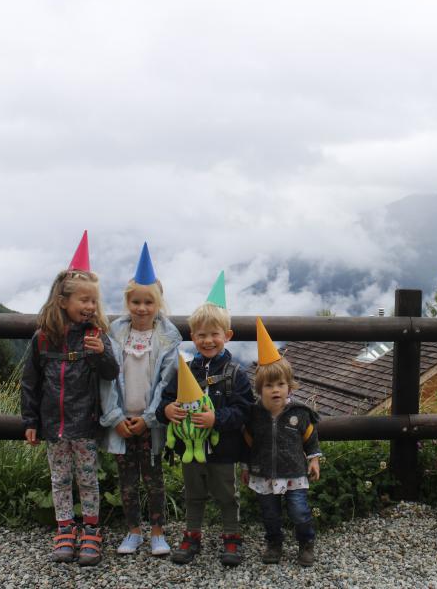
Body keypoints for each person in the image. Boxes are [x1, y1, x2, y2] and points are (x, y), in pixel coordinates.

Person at [21, 232, 118, 566]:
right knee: (59, 480)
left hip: (85, 424)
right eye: (84, 300)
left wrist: (102, 354)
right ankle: (65, 528)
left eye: (94, 301)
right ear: (63, 301)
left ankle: (91, 530)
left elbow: (111, 373)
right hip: (52, 425)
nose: (90, 307)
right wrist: (30, 421)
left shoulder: (96, 337)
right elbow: (29, 382)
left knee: (88, 480)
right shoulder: (43, 339)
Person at [157, 278, 254, 567]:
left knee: (227, 495)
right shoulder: (185, 371)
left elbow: (244, 410)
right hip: (190, 449)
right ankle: (192, 535)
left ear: (228, 335)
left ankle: (232, 537)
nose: (207, 340)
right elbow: (166, 399)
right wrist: (167, 411)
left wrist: (216, 419)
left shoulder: (236, 374)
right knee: (194, 494)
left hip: (224, 449)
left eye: (214, 334)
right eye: (201, 335)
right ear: (192, 336)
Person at [99, 243, 179, 557]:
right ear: (127, 302)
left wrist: (149, 418)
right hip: (122, 420)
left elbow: (166, 382)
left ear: (158, 304)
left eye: (148, 302)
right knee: (127, 480)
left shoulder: (167, 339)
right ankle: (133, 531)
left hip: (151, 421)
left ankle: (157, 532)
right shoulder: (115, 335)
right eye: (136, 302)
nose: (142, 308)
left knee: (154, 478)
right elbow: (106, 379)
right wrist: (115, 417)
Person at [241, 317, 321, 567]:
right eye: (269, 385)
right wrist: (245, 467)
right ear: (259, 388)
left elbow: (310, 437)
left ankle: (306, 543)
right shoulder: (253, 415)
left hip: (294, 473)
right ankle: (274, 543)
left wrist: (314, 458)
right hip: (263, 474)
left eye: (281, 384)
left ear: (289, 386)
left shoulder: (299, 413)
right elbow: (248, 443)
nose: (276, 390)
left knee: (299, 511)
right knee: (270, 514)